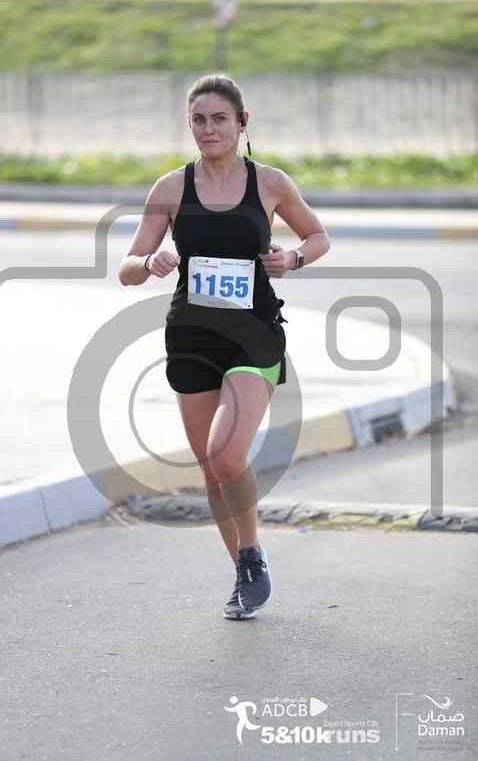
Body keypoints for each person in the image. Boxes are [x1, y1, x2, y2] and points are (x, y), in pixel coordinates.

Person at [118, 74, 330, 620]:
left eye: (219, 119)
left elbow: (318, 236)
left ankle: (253, 553)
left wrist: (293, 259)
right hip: (192, 338)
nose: (208, 129)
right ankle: (241, 569)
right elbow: (127, 267)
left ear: (241, 123)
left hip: (254, 334)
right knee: (211, 470)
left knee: (226, 454)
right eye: (198, 120)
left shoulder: (270, 183)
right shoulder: (170, 189)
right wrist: (150, 262)